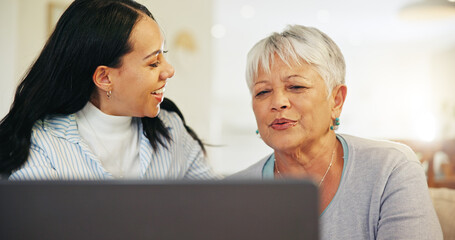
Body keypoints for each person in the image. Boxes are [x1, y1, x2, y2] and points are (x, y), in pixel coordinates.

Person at [230, 25, 442, 239]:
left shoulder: (391, 169)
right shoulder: (232, 194)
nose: (278, 103)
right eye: (263, 92)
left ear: (336, 100)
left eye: (296, 87)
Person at [0, 0, 219, 180]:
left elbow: (215, 208)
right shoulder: (41, 146)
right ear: (104, 78)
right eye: (153, 63)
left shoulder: (172, 129)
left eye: (164, 55)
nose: (169, 71)